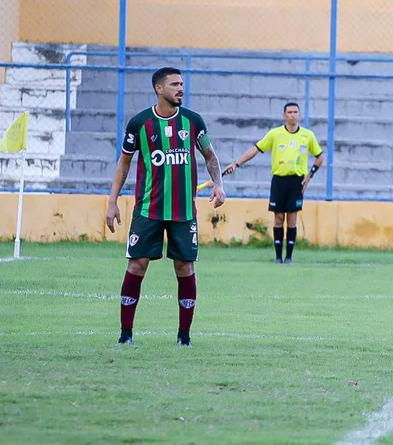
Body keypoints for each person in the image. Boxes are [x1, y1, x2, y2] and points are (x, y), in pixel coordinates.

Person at [105, 66, 226, 347]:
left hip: (183, 212)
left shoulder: (194, 122)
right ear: (159, 89)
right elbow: (124, 163)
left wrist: (218, 184)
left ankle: (184, 337)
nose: (180, 88)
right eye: (174, 84)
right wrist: (112, 201)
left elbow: (210, 156)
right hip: (148, 210)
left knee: (185, 268)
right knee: (136, 266)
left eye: (182, 84)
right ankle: (125, 335)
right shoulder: (139, 123)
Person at [224, 102, 325, 264]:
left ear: (299, 115)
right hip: (279, 180)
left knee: (292, 218)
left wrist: (309, 175)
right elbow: (256, 149)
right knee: (278, 218)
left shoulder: (308, 135)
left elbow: (320, 157)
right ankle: (278, 257)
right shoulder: (275, 134)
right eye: (289, 112)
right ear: (284, 115)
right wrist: (237, 164)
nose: (292, 115)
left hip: (296, 181)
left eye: (295, 112)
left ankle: (289, 257)